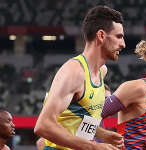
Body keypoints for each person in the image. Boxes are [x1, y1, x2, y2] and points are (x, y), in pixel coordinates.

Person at [34, 5, 126, 150]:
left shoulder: (102, 71)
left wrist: (103, 134)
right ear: (101, 35)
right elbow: (43, 126)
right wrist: (93, 146)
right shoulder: (73, 72)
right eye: (119, 37)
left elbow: (76, 118)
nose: (123, 44)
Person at [36, 84, 114, 150]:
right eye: (104, 99)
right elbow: (41, 142)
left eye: (108, 99)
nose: (107, 102)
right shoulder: (81, 118)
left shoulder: (96, 121)